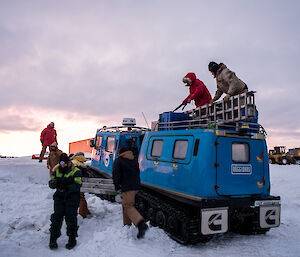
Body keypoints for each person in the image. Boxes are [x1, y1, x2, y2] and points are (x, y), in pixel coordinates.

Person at [112, 147, 148, 239]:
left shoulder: (119, 160)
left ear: (120, 153)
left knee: (128, 206)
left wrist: (117, 186)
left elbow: (116, 175)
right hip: (135, 186)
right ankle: (127, 225)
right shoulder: (134, 160)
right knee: (125, 205)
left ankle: (140, 223)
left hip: (127, 187)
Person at [48, 153, 82, 250]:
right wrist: (53, 184)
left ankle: (72, 239)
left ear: (68, 162)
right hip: (59, 197)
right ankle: (53, 239)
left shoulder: (76, 171)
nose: (62, 165)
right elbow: (51, 182)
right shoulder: (57, 170)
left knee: (71, 218)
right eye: (60, 163)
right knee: (56, 218)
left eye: (64, 163)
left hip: (71, 198)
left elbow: (78, 184)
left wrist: (67, 187)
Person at [71, 152, 91, 218]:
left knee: (80, 197)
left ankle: (83, 212)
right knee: (81, 197)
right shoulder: (81, 163)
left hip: (76, 183)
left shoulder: (74, 162)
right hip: (80, 183)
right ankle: (84, 212)